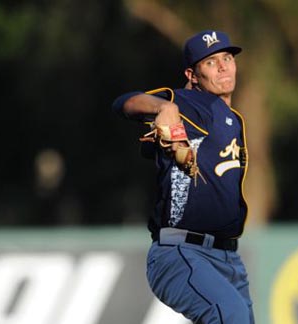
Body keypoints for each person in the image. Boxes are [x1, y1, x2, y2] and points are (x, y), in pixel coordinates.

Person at [112, 30, 254, 324]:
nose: (224, 66)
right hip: (182, 252)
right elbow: (125, 103)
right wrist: (164, 107)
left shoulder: (232, 119)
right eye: (211, 62)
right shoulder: (193, 103)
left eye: (227, 58)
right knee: (230, 316)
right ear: (192, 74)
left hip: (228, 258)